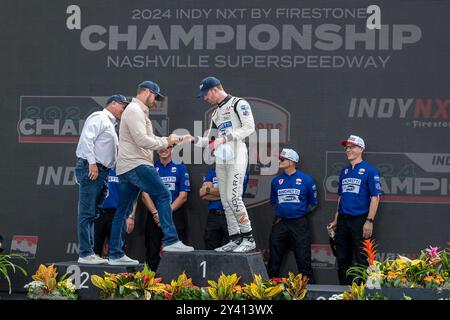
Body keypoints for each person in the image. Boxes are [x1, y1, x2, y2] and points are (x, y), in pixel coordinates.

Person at [108, 80, 193, 266]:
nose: (156, 101)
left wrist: (172, 140)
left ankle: (114, 254)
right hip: (137, 164)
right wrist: (166, 141)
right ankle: (171, 241)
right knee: (162, 194)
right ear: (145, 91)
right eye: (155, 96)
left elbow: (150, 138)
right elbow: (142, 140)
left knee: (122, 211)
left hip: (128, 166)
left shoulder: (138, 112)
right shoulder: (134, 110)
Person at [190, 76, 256, 253]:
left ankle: (248, 237)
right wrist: (191, 139)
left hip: (237, 154)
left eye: (205, 94)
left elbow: (249, 128)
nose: (205, 98)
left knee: (234, 197)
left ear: (214, 89)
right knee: (226, 200)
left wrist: (224, 138)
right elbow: (210, 140)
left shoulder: (238, 103)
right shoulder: (215, 113)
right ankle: (235, 238)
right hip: (221, 157)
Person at [75, 94, 129, 264]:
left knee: (93, 213)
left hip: (103, 172)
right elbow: (86, 139)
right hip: (93, 168)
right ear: (113, 103)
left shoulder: (112, 125)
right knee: (87, 213)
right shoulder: (99, 116)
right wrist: (92, 163)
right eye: (122, 105)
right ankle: (85, 253)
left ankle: (89, 252)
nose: (124, 109)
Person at [328, 135, 383, 285]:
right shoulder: (344, 172)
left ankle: (363, 293)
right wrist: (336, 219)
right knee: (342, 259)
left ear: (361, 149)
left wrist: (369, 220)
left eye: (351, 147)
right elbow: (341, 197)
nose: (348, 150)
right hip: (343, 221)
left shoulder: (370, 170)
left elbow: (375, 197)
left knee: (362, 259)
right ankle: (343, 293)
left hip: (360, 220)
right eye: (347, 147)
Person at [267, 148, 318, 281]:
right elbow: (274, 202)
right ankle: (268, 291)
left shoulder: (307, 180)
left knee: (303, 259)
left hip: (299, 223)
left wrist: (298, 213)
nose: (280, 160)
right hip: (280, 223)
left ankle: (310, 293)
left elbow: (313, 203)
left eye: (282, 159)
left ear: (292, 161)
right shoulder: (276, 181)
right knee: (274, 260)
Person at [141, 146, 191, 271]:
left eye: (167, 147)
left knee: (178, 256)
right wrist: (155, 213)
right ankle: (149, 286)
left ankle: (178, 287)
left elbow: (183, 196)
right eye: (160, 148)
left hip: (174, 215)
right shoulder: (150, 168)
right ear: (156, 150)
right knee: (151, 254)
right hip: (155, 217)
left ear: (172, 149)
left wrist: (165, 213)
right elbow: (144, 194)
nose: (163, 150)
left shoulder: (180, 167)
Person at [199, 167, 249, 250]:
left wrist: (209, 190)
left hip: (232, 215)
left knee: (232, 249)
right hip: (214, 216)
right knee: (210, 249)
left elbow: (232, 193)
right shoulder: (212, 171)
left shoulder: (240, 170)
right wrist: (224, 193)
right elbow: (203, 194)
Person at [93, 168, 137, 258]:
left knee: (116, 252)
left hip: (117, 214)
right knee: (94, 252)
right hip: (99, 213)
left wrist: (131, 216)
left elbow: (132, 196)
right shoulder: (100, 168)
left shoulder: (124, 169)